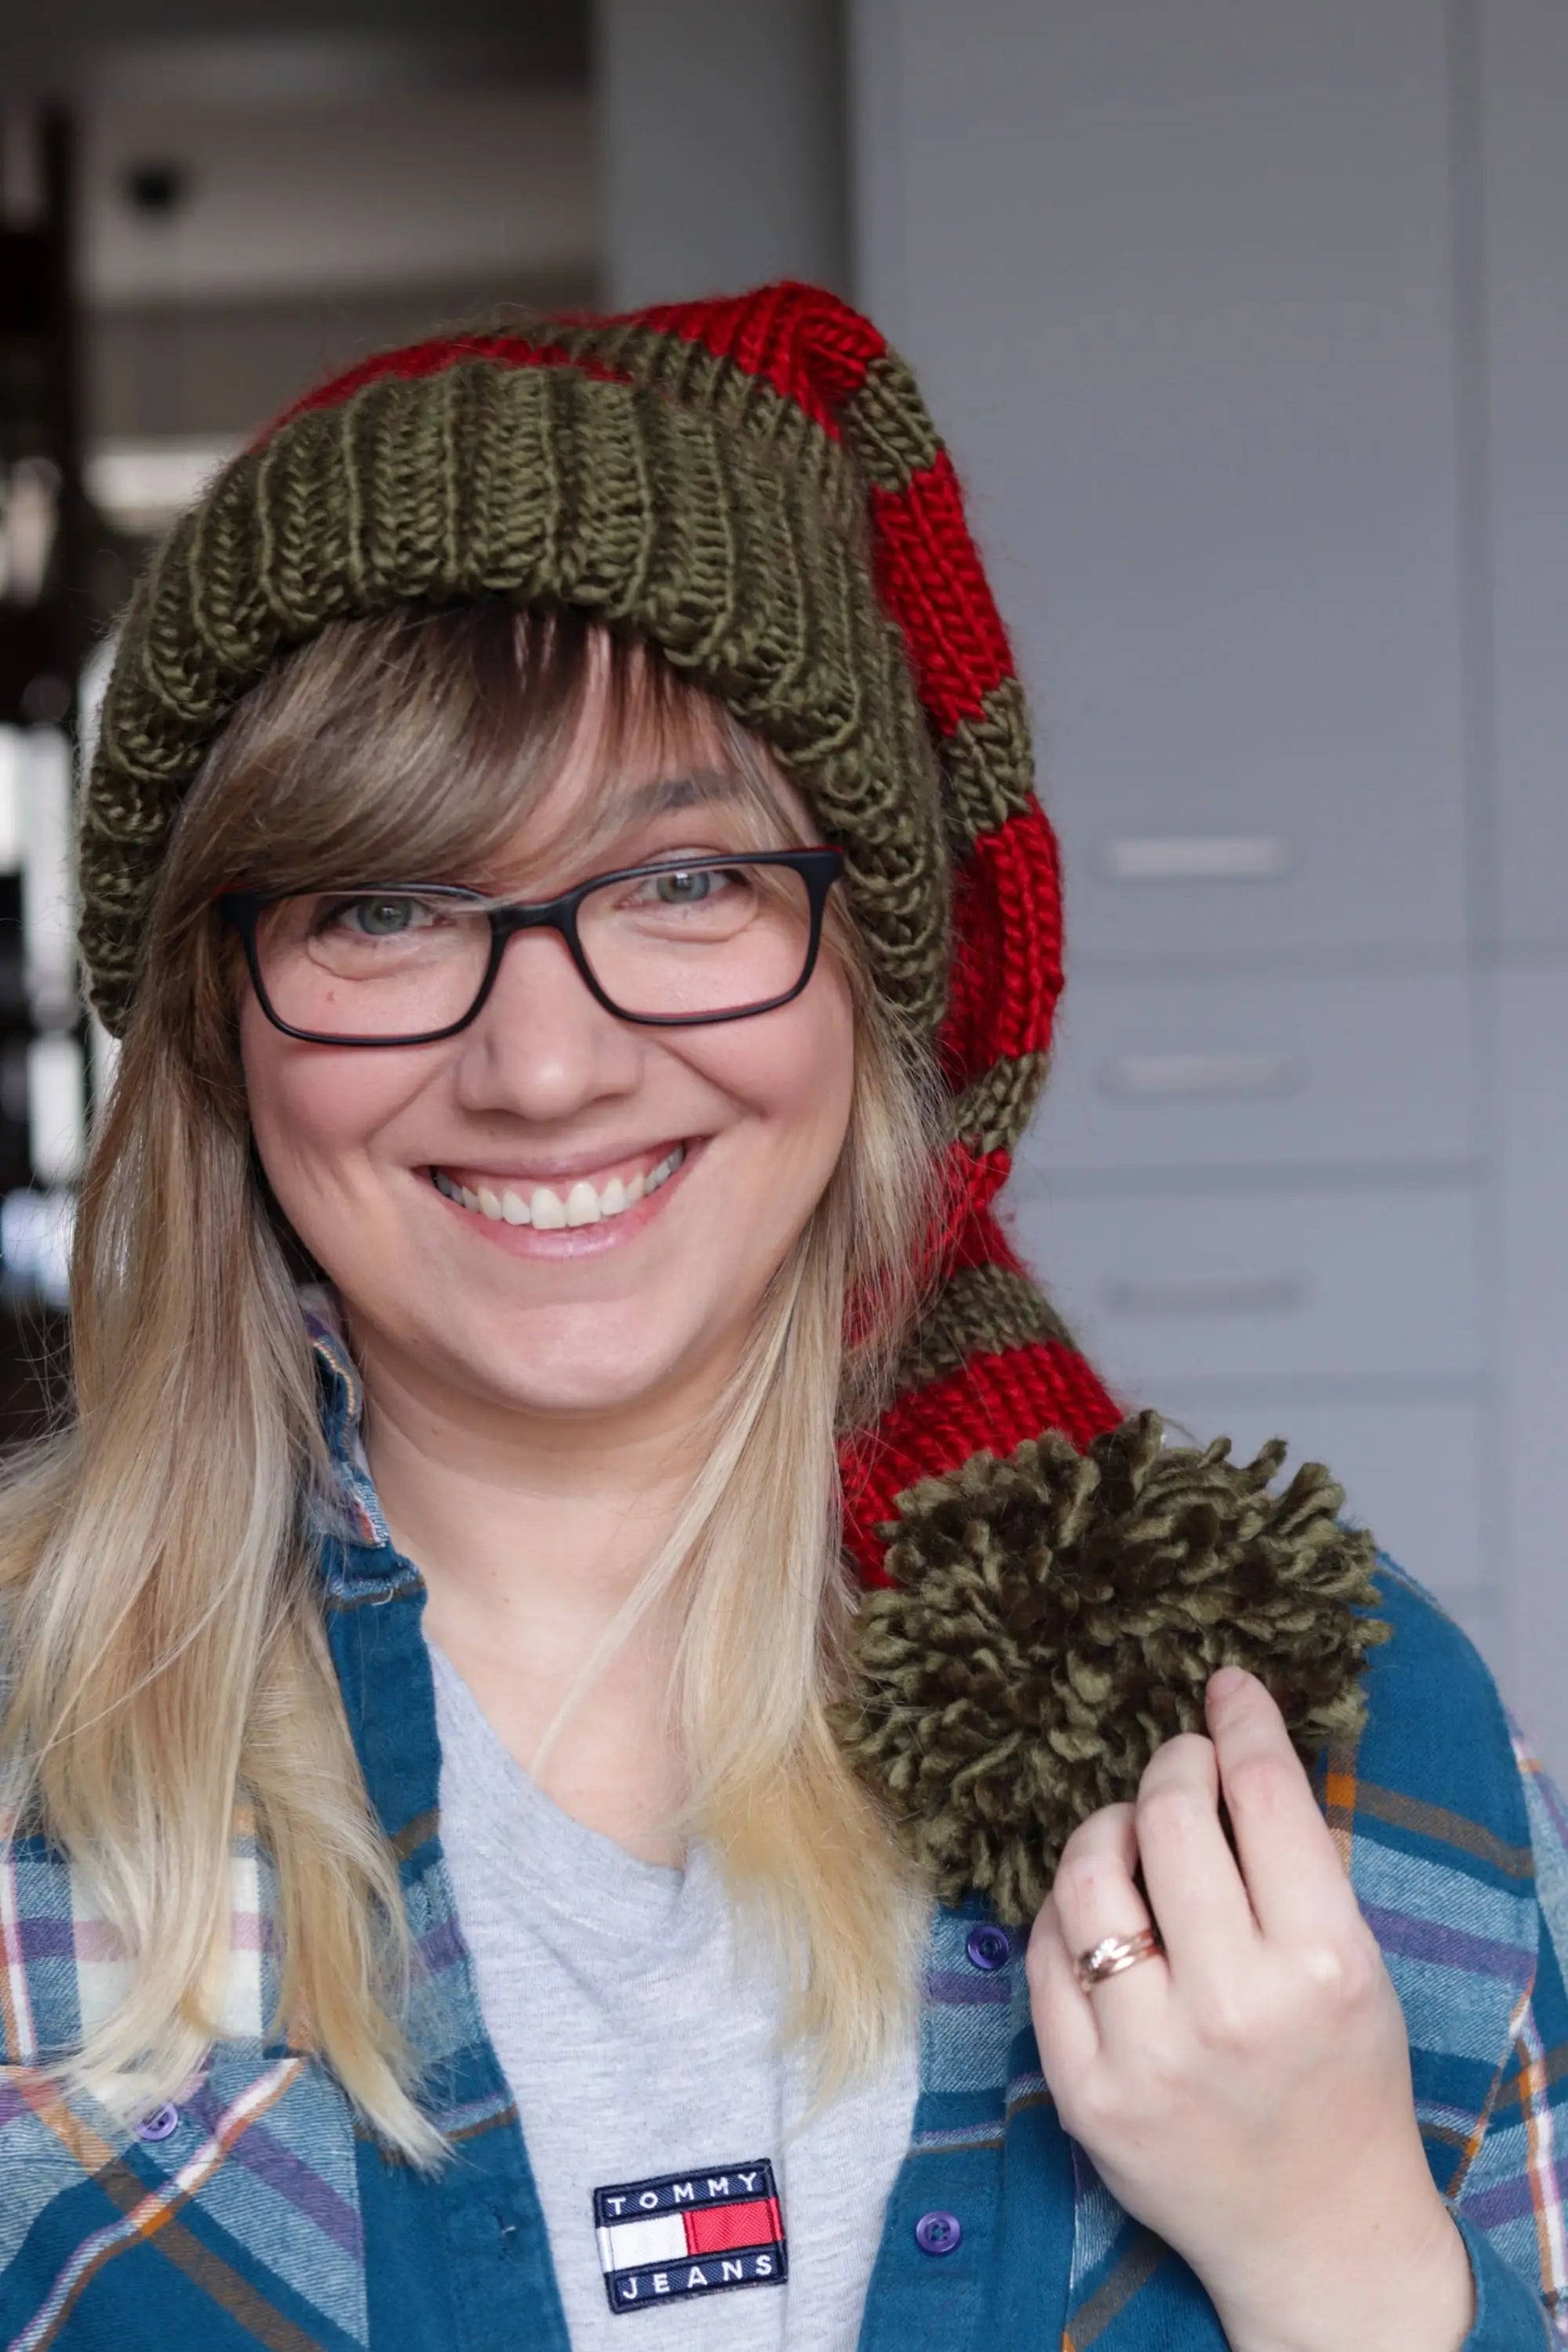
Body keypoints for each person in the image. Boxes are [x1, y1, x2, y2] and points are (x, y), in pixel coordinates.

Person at [1, 282, 1563, 2352]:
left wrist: (1345, 2260)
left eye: (684, 885)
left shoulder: (1327, 1750)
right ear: (222, 1019)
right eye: (382, 907)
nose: (543, 1064)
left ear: (867, 973)